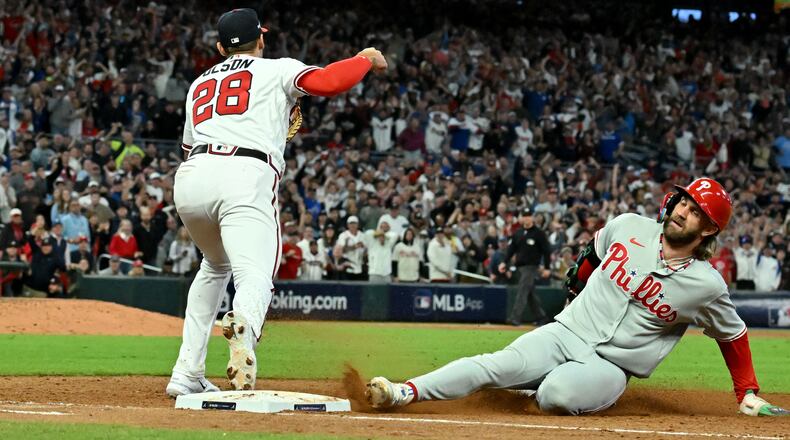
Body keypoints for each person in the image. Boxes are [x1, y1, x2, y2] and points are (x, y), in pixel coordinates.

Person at [365, 178, 788, 418]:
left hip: (612, 365)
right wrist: (575, 287)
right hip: (566, 332)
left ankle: (534, 387)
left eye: (697, 212)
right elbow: (592, 254)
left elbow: (733, 335)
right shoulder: (629, 225)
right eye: (685, 202)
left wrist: (745, 391)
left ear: (709, 230)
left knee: (556, 396)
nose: (683, 211)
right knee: (493, 364)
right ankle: (404, 392)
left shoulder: (706, 284)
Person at [167, 7, 387, 396]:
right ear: (261, 39)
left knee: (214, 265)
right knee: (254, 274)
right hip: (245, 172)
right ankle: (245, 329)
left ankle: (186, 372)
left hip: (192, 175)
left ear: (220, 47)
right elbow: (329, 82)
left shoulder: (199, 83)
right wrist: (364, 58)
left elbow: (187, 145)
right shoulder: (276, 68)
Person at [499, 207, 552, 326]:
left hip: (531, 267)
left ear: (532, 217)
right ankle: (542, 317)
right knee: (529, 294)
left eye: (528, 215)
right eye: (524, 215)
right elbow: (511, 249)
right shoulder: (518, 233)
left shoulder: (538, 233)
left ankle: (515, 318)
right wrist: (504, 262)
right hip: (520, 268)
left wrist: (547, 267)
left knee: (522, 291)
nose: (527, 218)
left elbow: (546, 251)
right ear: (521, 218)